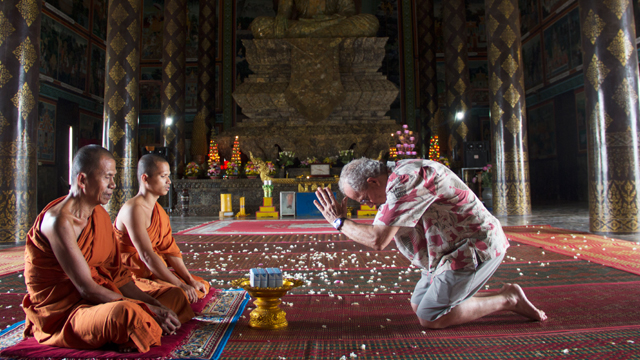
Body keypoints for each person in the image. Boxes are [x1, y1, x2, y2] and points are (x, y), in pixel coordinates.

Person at [314, 157, 547, 329]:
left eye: (364, 198)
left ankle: (509, 299)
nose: (368, 204)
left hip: (475, 247)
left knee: (430, 317)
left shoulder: (405, 180)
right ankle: (497, 294)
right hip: (447, 251)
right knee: (418, 305)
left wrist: (338, 222)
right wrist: (342, 221)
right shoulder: (394, 176)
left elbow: (378, 240)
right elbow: (380, 227)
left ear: (373, 180)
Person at [23, 145, 194, 353]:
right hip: (67, 312)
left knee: (175, 297)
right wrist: (149, 308)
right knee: (125, 314)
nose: (114, 185)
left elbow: (119, 276)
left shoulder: (100, 216)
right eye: (108, 177)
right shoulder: (58, 222)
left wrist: (153, 304)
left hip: (104, 298)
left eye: (114, 178)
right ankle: (136, 326)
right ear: (82, 180)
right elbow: (87, 288)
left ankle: (140, 325)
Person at [114, 154, 210, 304]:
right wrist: (180, 285)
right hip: (130, 275)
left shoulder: (159, 211)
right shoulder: (133, 210)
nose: (168, 182)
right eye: (163, 176)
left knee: (200, 286)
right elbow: (146, 255)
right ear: (145, 178)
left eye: (168, 176)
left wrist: (189, 280)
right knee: (176, 295)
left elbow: (169, 250)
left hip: (151, 271)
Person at [250, 0, 379, 39]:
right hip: (303, 24)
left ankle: (309, 33)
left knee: (370, 22)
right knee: (259, 26)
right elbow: (284, 10)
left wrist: (334, 19)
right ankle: (319, 33)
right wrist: (281, 17)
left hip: (332, 23)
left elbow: (348, 11)